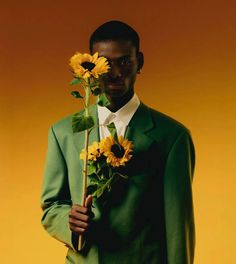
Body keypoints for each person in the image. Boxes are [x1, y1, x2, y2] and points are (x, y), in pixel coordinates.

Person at [40, 20, 196, 264]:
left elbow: (178, 227)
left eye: (124, 62)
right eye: (106, 63)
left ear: (139, 62)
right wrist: (69, 222)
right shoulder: (63, 132)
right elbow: (51, 206)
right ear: (91, 66)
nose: (114, 73)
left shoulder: (172, 137)